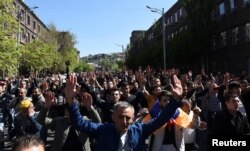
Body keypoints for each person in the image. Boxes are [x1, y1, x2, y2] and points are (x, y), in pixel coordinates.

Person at [64, 75, 182, 151]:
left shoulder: (140, 130)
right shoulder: (102, 130)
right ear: (113, 117)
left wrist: (175, 99)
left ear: (134, 118)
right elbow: (79, 123)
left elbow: (162, 119)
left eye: (128, 118)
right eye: (120, 117)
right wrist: (70, 100)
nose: (124, 121)